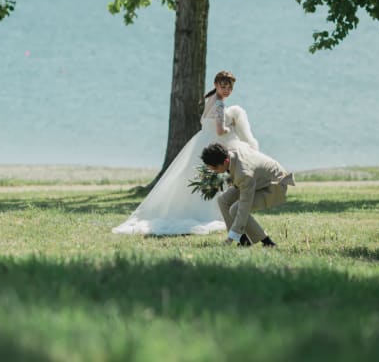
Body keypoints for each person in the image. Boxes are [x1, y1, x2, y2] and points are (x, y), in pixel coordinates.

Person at [112, 71, 260, 235]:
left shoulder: (211, 100)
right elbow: (219, 131)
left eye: (230, 87)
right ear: (216, 85)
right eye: (223, 86)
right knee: (212, 179)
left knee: (196, 179)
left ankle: (194, 211)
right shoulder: (219, 104)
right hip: (212, 145)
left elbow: (207, 123)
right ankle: (211, 214)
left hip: (201, 142)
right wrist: (230, 126)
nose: (227, 90)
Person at [200, 142, 295, 247]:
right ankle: (243, 241)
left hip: (274, 185)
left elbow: (244, 207)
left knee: (235, 209)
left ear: (226, 161)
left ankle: (268, 242)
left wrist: (231, 237)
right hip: (257, 181)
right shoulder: (231, 153)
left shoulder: (244, 174)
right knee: (223, 200)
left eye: (215, 169)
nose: (214, 172)